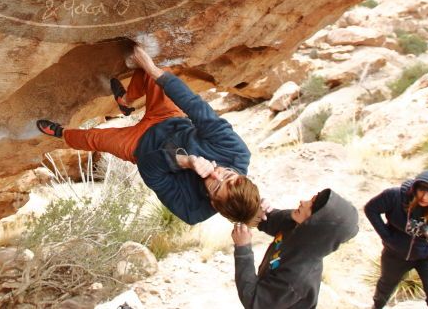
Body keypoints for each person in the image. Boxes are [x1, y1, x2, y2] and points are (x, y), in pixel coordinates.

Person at [36, 44, 260, 225]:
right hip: (170, 119)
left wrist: (185, 162)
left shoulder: (192, 211)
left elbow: (149, 170)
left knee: (94, 138)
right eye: (228, 175)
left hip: (140, 147)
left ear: (213, 203)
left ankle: (62, 133)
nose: (217, 174)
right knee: (156, 72)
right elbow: (196, 108)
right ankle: (125, 101)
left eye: (216, 187)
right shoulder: (236, 153)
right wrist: (152, 68)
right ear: (242, 175)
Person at [231, 189, 359, 309]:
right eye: (311, 200)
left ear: (317, 227)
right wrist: (258, 207)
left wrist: (243, 249)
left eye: (310, 207)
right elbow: (267, 220)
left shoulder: (297, 277)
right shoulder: (297, 225)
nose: (303, 202)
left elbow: (254, 300)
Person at [365, 168, 428, 309]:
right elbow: (371, 209)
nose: (424, 197)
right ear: (415, 188)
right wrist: (387, 237)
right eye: (422, 190)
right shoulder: (395, 196)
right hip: (396, 254)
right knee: (385, 288)